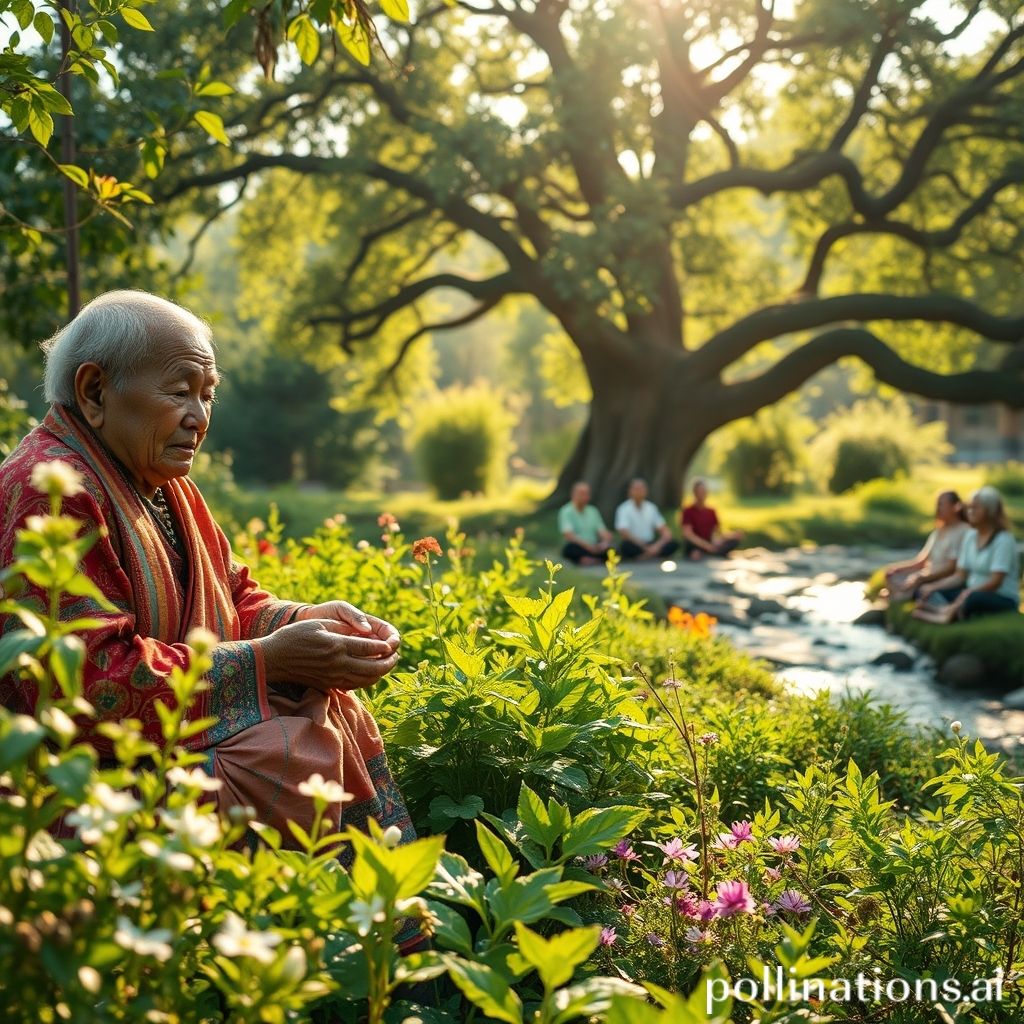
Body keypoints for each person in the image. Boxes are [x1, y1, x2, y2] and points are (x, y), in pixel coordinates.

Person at [0, 291, 416, 865]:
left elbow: (232, 595)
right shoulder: (51, 491)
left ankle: (380, 926)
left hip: (162, 739)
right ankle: (293, 938)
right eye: (179, 392)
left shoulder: (163, 484)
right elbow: (91, 686)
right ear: (94, 392)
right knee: (287, 751)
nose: (199, 418)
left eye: (208, 394)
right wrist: (269, 660)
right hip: (70, 785)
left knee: (328, 702)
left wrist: (306, 623)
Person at [913, 486, 1020, 623]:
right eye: (969, 508)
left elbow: (995, 582)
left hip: (999, 597)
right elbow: (959, 576)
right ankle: (949, 611)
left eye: (975, 508)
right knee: (924, 591)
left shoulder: (1003, 539)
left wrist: (968, 593)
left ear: (990, 512)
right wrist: (933, 587)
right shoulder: (970, 536)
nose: (970, 512)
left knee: (973, 599)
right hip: (969, 592)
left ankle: (946, 614)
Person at [882, 490, 969, 601]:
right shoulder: (938, 531)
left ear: (956, 507)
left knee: (915, 581)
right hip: (927, 573)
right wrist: (897, 568)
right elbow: (921, 561)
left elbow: (952, 568)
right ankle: (902, 593)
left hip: (941, 577)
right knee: (892, 574)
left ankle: (903, 595)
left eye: (941, 504)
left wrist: (923, 578)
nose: (938, 509)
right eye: (937, 504)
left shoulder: (963, 530)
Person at [614, 478, 679, 560]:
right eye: (636, 489)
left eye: (641, 489)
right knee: (626, 546)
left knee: (674, 544)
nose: (639, 492)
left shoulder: (651, 508)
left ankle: (645, 556)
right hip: (635, 544)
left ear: (646, 491)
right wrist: (644, 547)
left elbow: (665, 531)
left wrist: (656, 546)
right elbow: (624, 533)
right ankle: (652, 555)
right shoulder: (624, 508)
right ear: (630, 491)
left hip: (650, 543)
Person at [680, 479, 744, 560]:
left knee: (734, 541)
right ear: (694, 493)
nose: (702, 494)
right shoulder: (688, 511)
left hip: (710, 542)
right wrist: (706, 545)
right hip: (696, 544)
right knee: (690, 544)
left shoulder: (711, 511)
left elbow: (717, 533)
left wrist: (733, 535)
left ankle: (709, 553)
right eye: (699, 491)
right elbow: (688, 534)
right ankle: (701, 552)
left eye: (704, 491)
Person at [558, 481, 614, 565]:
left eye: (586, 494)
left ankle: (590, 559)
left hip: (594, 545)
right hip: (579, 546)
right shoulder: (566, 511)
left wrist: (605, 542)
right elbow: (569, 535)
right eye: (581, 494)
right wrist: (588, 546)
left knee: (612, 549)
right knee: (570, 549)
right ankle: (593, 559)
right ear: (573, 494)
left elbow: (602, 530)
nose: (584, 496)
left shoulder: (593, 511)